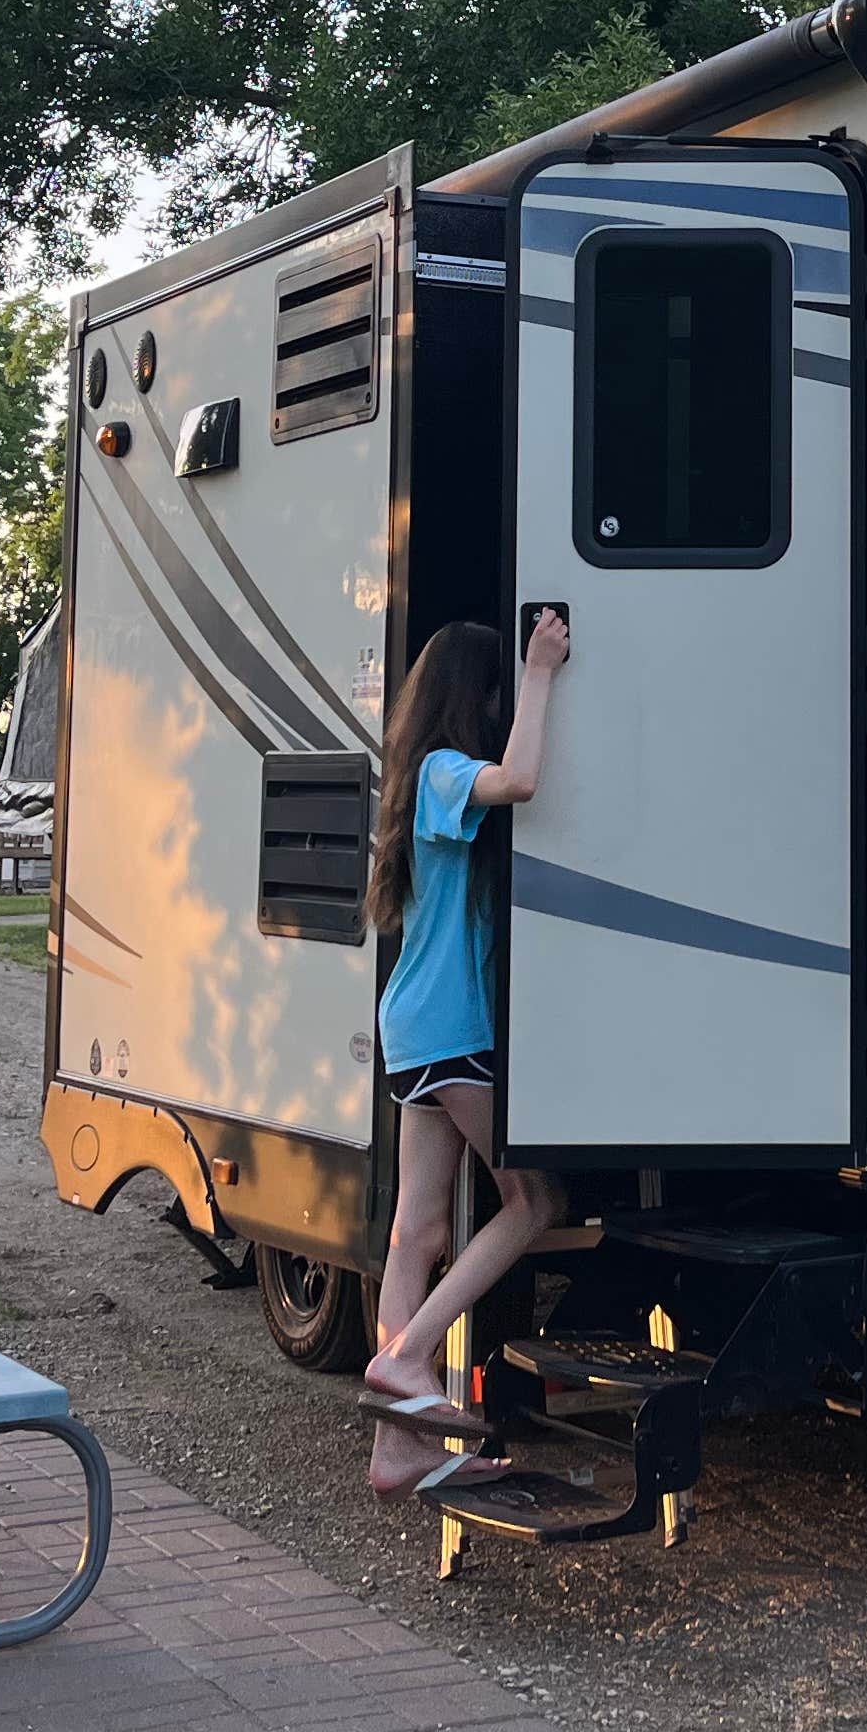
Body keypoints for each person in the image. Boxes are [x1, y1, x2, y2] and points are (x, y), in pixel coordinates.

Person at [358, 606, 570, 1496]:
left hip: (416, 1025)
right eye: (495, 693)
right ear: (473, 696)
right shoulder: (444, 770)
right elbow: (520, 780)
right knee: (535, 1199)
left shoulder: (416, 775)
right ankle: (408, 1359)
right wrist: (542, 669)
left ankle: (397, 1448)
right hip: (449, 1027)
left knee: (419, 1230)